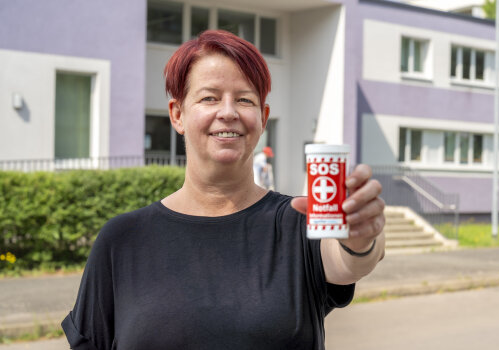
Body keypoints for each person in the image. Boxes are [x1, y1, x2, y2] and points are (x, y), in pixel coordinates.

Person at [61, 30, 385, 350]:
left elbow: (348, 262)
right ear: (177, 114)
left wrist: (360, 237)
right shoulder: (122, 240)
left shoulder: (300, 223)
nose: (228, 112)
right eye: (209, 98)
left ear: (263, 118)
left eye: (244, 99)